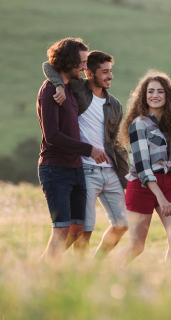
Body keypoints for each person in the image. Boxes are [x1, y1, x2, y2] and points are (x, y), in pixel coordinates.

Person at [42, 50, 129, 257]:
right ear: (89, 73)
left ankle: (96, 264)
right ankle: (79, 274)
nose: (110, 76)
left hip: (110, 172)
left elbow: (116, 144)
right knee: (84, 230)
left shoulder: (115, 105)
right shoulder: (76, 90)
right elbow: (48, 66)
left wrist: (125, 176)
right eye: (105, 72)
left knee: (123, 224)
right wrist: (60, 85)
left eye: (111, 71)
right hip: (85, 168)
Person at [115, 70, 171, 266]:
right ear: (144, 96)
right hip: (142, 186)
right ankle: (106, 274)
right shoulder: (138, 125)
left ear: (167, 96)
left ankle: (169, 284)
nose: (155, 95)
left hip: (168, 183)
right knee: (137, 246)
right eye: (150, 92)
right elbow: (141, 166)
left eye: (160, 91)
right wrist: (160, 197)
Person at [37, 38, 106, 261]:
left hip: (76, 169)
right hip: (55, 169)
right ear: (68, 62)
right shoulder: (50, 92)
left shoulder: (68, 87)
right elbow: (52, 135)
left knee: (78, 229)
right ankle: (43, 273)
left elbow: (50, 66)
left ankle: (46, 267)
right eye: (82, 63)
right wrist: (90, 150)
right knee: (61, 230)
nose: (85, 67)